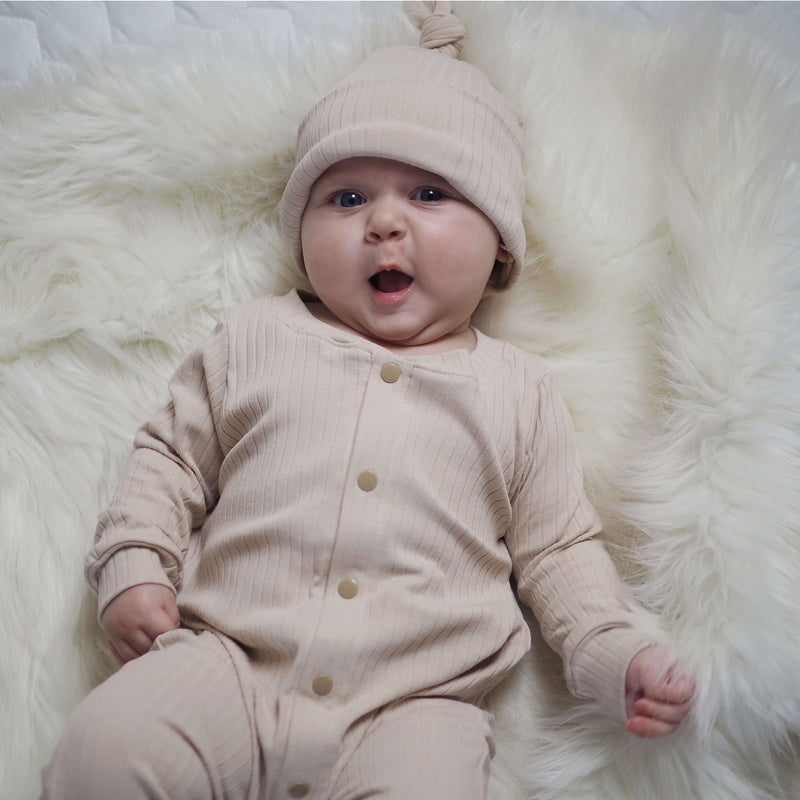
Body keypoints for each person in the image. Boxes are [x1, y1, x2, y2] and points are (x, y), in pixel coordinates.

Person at [42, 3, 695, 799]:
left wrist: (610, 653)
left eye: (428, 193)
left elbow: (558, 551)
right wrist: (136, 565)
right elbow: (169, 458)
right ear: (302, 233)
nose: (384, 221)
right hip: (226, 661)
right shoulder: (257, 337)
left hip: (416, 705)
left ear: (497, 247)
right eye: (346, 199)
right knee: (107, 750)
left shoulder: (518, 390)